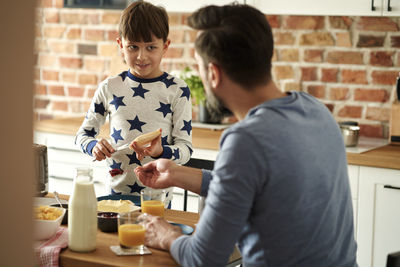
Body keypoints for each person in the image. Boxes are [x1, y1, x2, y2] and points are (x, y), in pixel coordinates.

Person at [134, 3, 358, 267]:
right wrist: (179, 174)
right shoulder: (315, 109)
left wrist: (167, 235)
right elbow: (258, 186)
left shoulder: (246, 139)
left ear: (213, 73)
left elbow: (203, 259)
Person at [75, 1, 193, 204]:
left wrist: (161, 151)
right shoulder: (110, 87)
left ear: (165, 46)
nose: (141, 56)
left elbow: (185, 150)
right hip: (116, 198)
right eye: (133, 47)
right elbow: (82, 135)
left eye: (151, 47)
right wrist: (94, 146)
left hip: (158, 200)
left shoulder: (178, 90)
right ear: (121, 44)